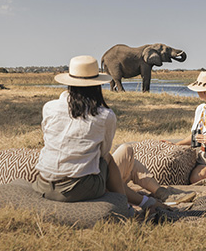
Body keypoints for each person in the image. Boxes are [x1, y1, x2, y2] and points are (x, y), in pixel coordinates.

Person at [32, 55, 162, 209]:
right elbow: (103, 153)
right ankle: (125, 206)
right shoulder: (105, 115)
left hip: (43, 184)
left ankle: (143, 202)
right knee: (108, 159)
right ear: (97, 85)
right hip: (78, 189)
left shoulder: (49, 107)